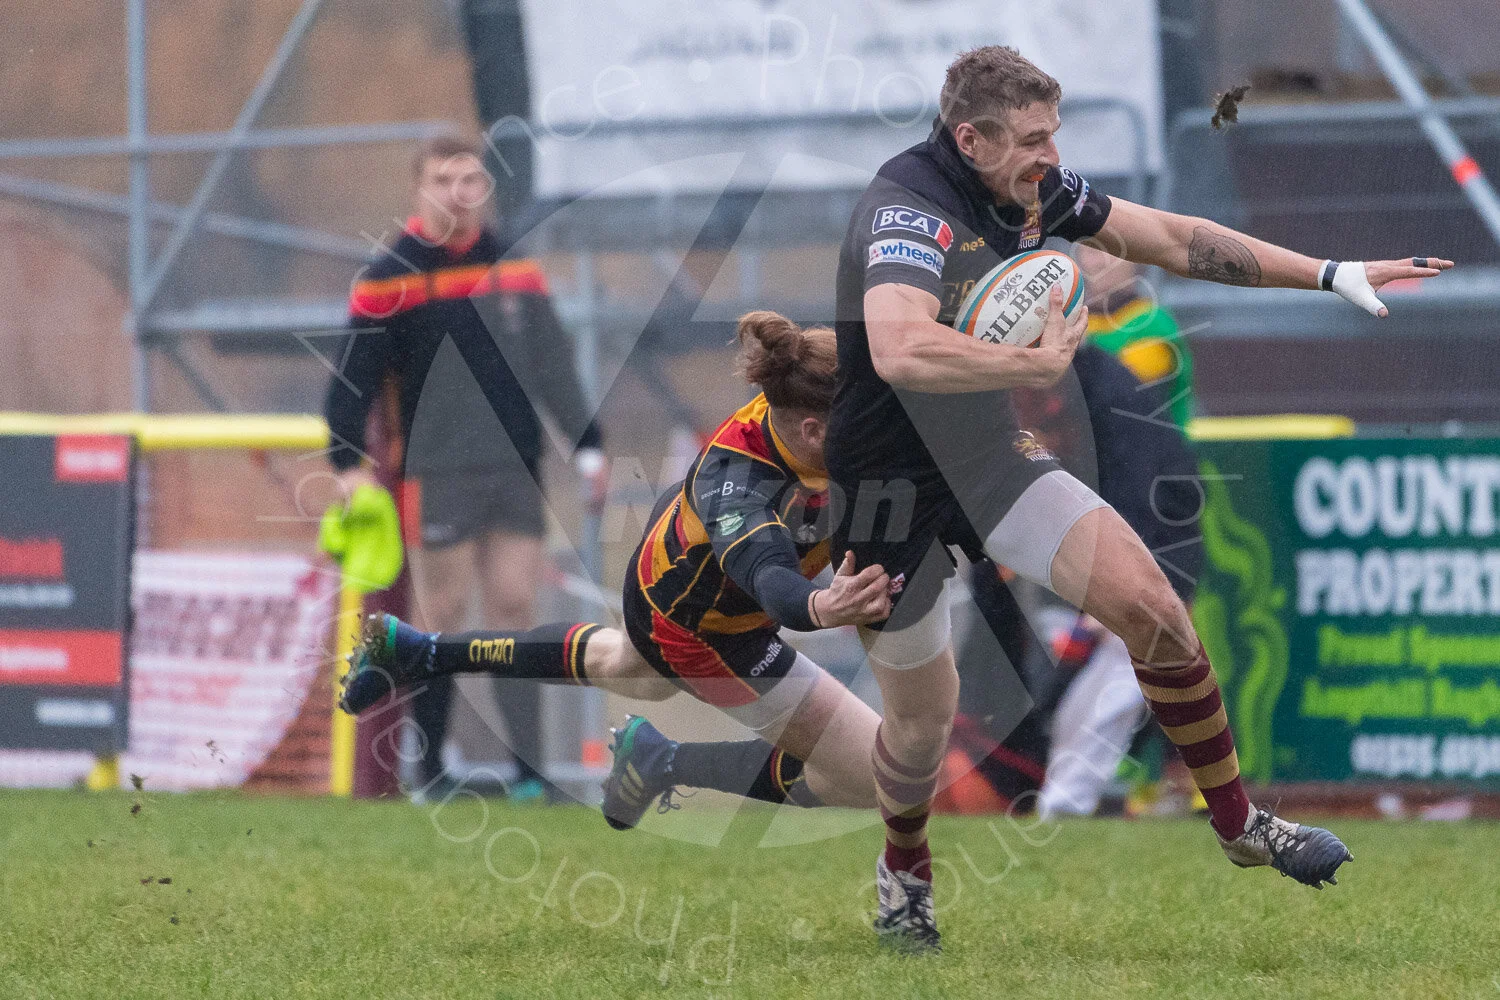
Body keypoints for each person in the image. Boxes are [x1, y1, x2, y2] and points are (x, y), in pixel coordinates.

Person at [828, 45, 1447, 951]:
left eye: (1055, 133)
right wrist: (1030, 365)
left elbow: (1166, 237)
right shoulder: (906, 212)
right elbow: (898, 349)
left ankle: (1239, 827)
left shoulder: (1031, 184)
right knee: (920, 728)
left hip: (991, 460)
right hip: (886, 486)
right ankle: (904, 874)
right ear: (972, 138)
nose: (1052, 153)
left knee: (1154, 609)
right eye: (1034, 138)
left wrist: (1327, 271)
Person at [339, 311, 892, 820]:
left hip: (674, 566)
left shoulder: (799, 415)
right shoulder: (742, 487)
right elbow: (774, 582)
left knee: (631, 669)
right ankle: (663, 761)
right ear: (814, 431)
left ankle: (419, 651)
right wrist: (822, 606)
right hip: (702, 628)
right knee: (878, 772)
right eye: (859, 418)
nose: (872, 429)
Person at [324, 133, 608, 802]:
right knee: (443, 616)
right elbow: (350, 380)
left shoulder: (515, 267)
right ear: (419, 190)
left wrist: (587, 444)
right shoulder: (389, 273)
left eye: (472, 178)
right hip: (433, 468)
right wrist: (346, 462)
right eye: (446, 179)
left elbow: (554, 365)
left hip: (513, 465)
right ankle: (433, 774)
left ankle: (531, 775)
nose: (461, 191)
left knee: (515, 608)